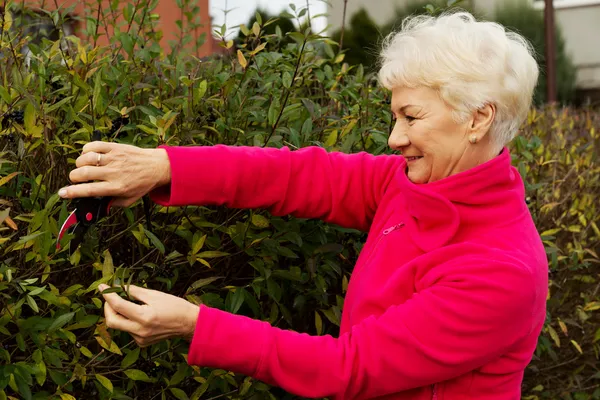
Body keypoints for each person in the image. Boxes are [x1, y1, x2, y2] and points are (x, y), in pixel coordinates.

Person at [57, 11, 549, 400]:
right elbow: (298, 175)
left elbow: (348, 366)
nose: (395, 137)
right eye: (394, 114)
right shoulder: (412, 181)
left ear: (477, 120)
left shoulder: (501, 271)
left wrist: (195, 324)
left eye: (411, 116)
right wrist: (165, 166)